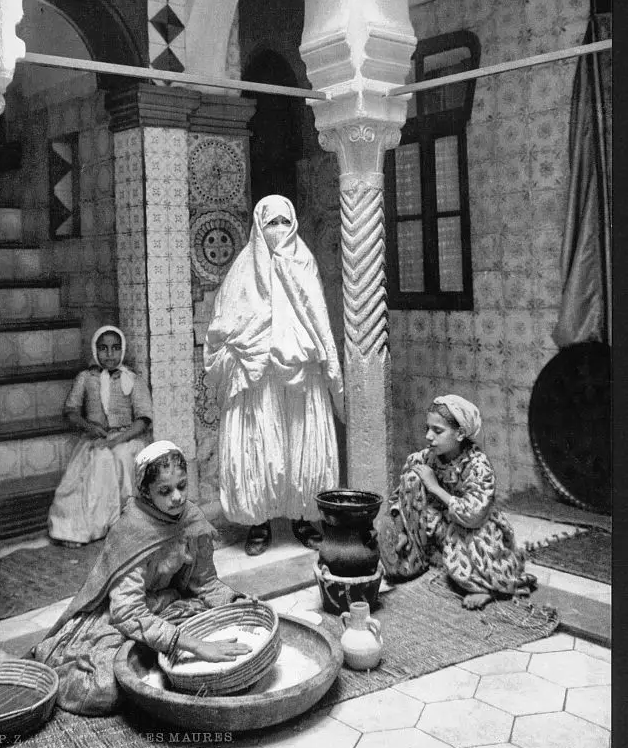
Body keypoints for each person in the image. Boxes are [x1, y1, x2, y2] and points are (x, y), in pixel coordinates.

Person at [33, 441, 252, 715]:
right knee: (102, 690)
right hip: (121, 614)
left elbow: (204, 582)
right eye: (165, 490)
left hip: (170, 604)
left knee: (232, 625)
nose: (177, 498)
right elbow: (126, 612)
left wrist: (234, 601)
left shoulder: (191, 520)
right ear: (146, 492)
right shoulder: (132, 531)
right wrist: (195, 645)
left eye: (181, 486)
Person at [204, 194, 344, 557]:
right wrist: (248, 344)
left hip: (301, 370)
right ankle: (259, 522)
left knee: (302, 445)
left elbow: (317, 317)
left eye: (285, 221)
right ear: (258, 227)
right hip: (258, 375)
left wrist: (319, 355)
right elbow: (224, 325)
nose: (279, 230)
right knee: (261, 447)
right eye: (271, 223)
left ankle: (303, 518)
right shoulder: (241, 271)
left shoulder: (304, 262)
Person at [378, 394, 536, 610]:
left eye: (438, 431)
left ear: (460, 433)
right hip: (441, 524)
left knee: (471, 550)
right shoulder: (425, 457)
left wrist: (434, 487)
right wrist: (404, 528)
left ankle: (485, 588)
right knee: (412, 477)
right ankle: (419, 558)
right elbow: (400, 496)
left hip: (474, 528)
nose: (428, 436)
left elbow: (473, 515)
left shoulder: (478, 466)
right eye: (428, 428)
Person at [48, 325, 152, 547]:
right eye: (103, 348)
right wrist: (88, 426)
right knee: (100, 461)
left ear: (122, 350)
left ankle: (124, 523)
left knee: (123, 457)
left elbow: (143, 419)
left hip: (126, 437)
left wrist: (117, 440)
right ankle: (86, 527)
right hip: (97, 438)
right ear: (96, 351)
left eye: (115, 348)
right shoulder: (86, 378)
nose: (110, 354)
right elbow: (71, 410)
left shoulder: (131, 378)